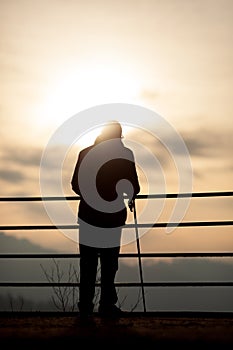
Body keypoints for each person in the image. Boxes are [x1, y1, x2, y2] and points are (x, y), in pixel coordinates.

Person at [71, 120, 140, 318]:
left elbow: (76, 185)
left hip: (88, 216)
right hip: (113, 217)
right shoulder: (126, 155)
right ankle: (106, 304)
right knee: (110, 263)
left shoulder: (85, 153)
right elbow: (134, 187)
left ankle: (85, 306)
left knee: (88, 263)